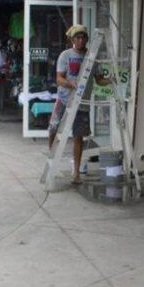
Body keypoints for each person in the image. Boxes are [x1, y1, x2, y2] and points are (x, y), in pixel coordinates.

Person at [49, 25, 107, 184]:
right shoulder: (65, 55)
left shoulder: (92, 57)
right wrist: (71, 84)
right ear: (72, 39)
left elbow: (99, 80)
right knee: (53, 128)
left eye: (83, 37)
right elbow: (59, 79)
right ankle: (51, 160)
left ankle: (76, 172)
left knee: (78, 136)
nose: (80, 40)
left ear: (87, 39)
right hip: (64, 99)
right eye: (77, 37)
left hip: (81, 102)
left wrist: (112, 80)